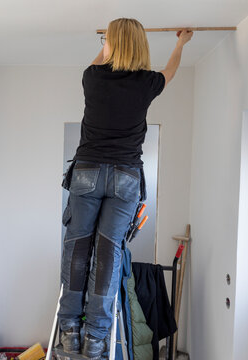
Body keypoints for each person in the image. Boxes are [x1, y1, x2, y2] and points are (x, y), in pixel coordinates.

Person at [58, 18, 193, 359]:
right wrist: (180, 43)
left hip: (88, 172)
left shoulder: (93, 77)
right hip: (125, 178)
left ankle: (70, 332)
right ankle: (96, 339)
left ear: (113, 43)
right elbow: (172, 71)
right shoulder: (147, 83)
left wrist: (107, 40)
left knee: (77, 252)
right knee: (108, 255)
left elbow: (101, 57)